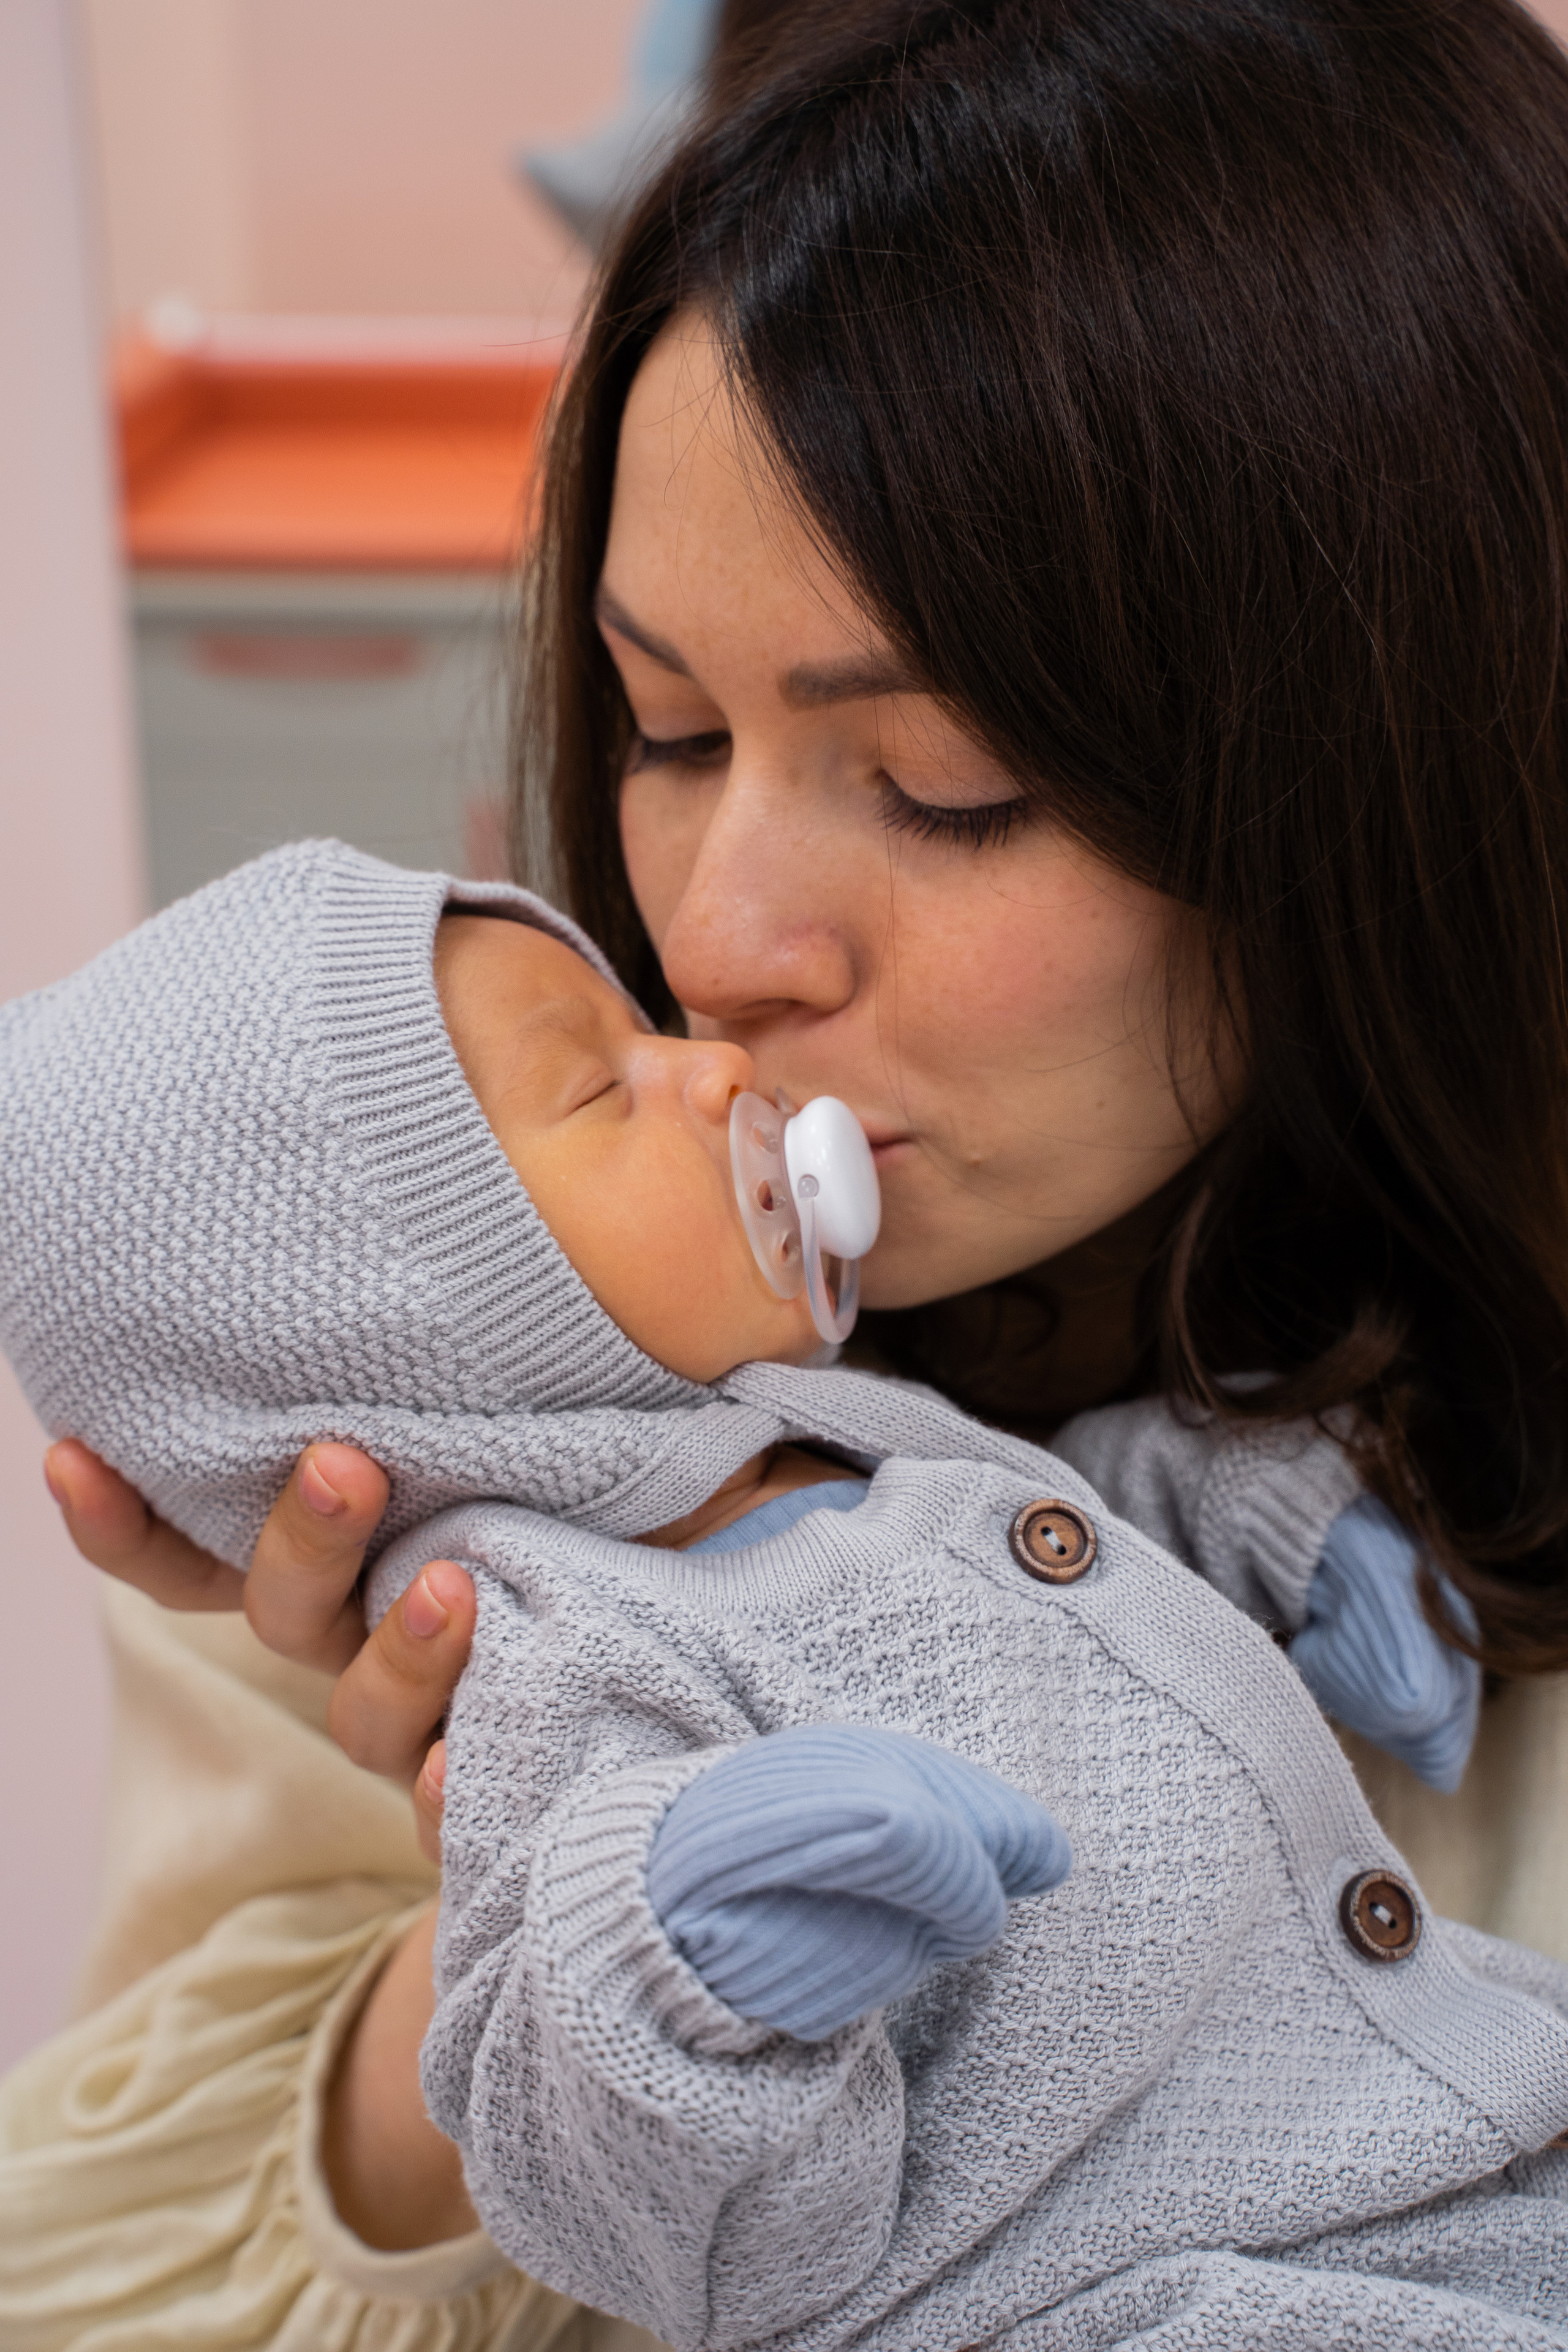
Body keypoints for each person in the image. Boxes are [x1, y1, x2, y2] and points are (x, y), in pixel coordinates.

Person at [15, 0, 1568, 2333]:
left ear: (1395, 765)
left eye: (942, 780)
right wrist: (539, 1912)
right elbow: (91, 2277)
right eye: (663, 727)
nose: (712, 944)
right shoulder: (409, 1381)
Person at [2, 835, 1563, 2351]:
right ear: (420, 1343)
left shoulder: (827, 1452)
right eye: (604, 1086)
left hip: (1428, 2141)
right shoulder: (571, 1653)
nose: (712, 1054)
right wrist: (682, 1943)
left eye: (942, 790)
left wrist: (1259, 1513)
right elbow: (603, 2133)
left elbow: (1049, 1549)